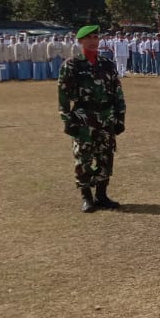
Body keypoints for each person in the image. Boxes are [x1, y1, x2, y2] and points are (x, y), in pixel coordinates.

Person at [58, 25, 126, 213]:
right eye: (88, 37)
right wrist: (67, 120)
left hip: (106, 117)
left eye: (96, 37)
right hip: (83, 118)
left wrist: (120, 117)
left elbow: (117, 92)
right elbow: (63, 95)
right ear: (80, 41)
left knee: (106, 156)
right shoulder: (71, 65)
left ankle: (102, 195)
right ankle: (86, 197)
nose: (93, 41)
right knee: (83, 158)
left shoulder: (107, 64)